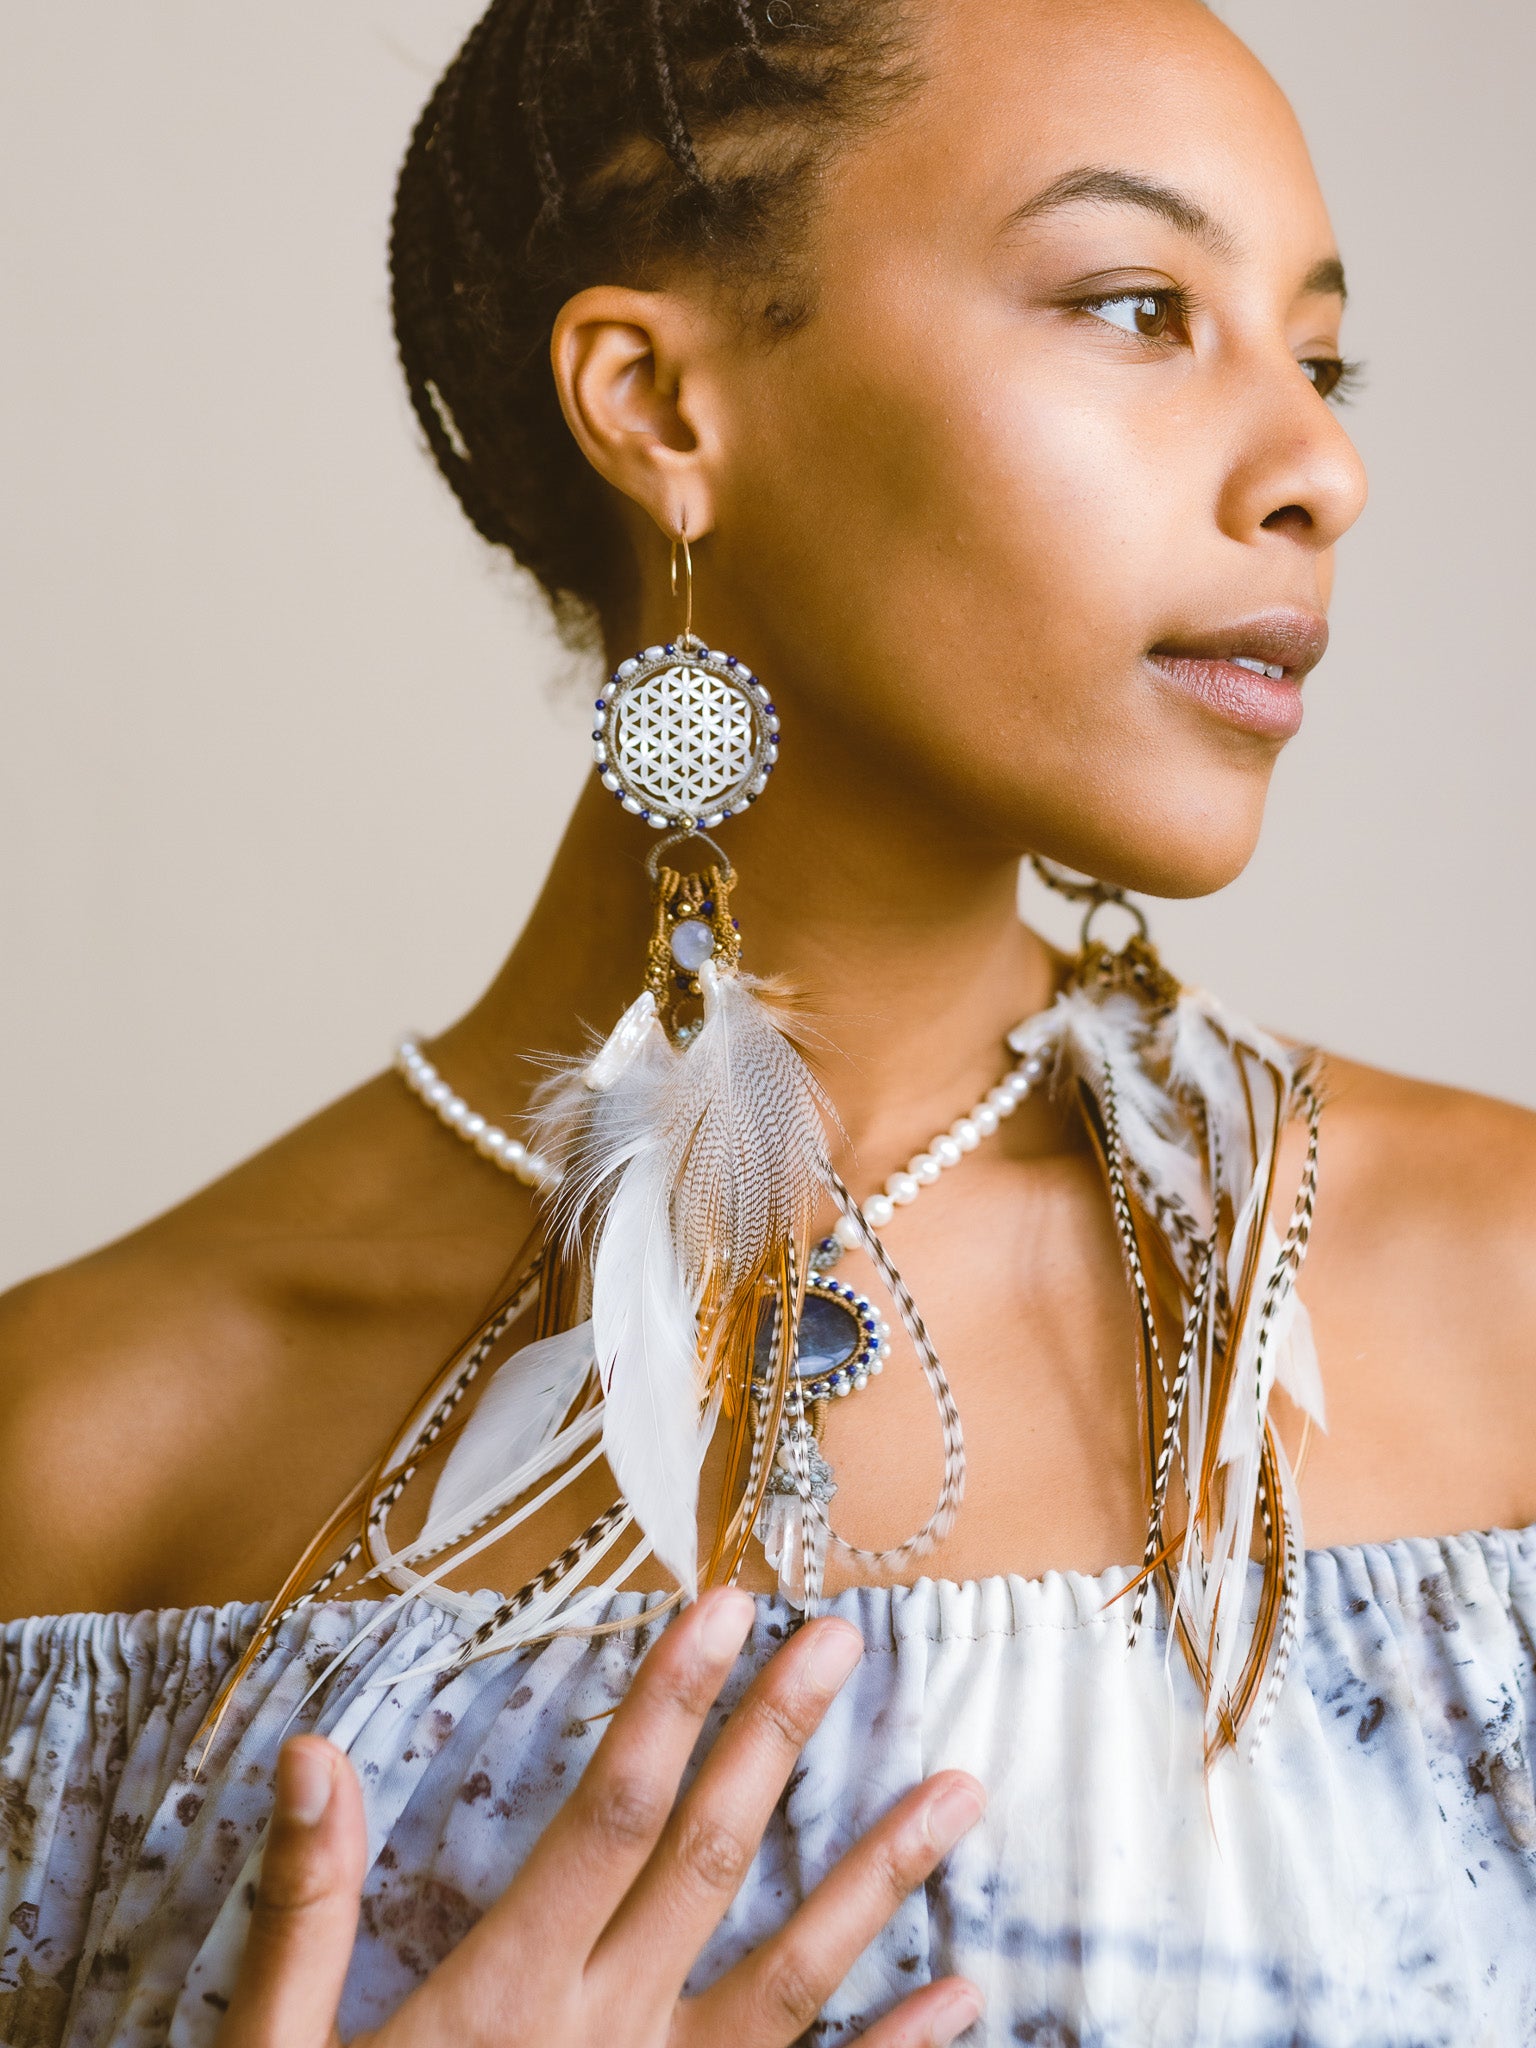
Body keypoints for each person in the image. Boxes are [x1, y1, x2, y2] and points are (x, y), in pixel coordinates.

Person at [4, 0, 1535, 2042]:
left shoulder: (1499, 1306)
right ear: (657, 404)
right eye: (1137, 306)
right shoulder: (83, 1455)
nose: (1319, 466)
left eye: (1318, 355)